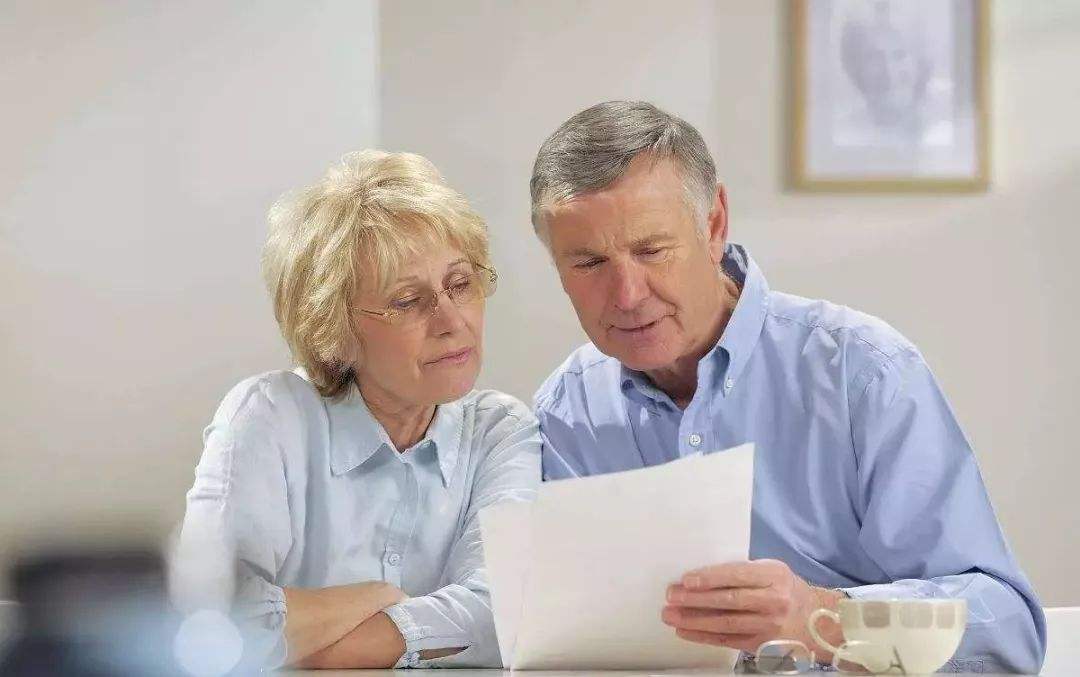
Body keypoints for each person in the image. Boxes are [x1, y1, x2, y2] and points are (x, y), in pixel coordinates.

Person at [529, 101, 1045, 674]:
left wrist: (823, 617)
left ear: (714, 225)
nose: (625, 294)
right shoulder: (564, 412)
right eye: (588, 262)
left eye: (651, 250)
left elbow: (1009, 630)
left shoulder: (864, 373)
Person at [176, 150, 540, 669]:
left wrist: (314, 649)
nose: (451, 320)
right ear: (335, 331)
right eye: (407, 300)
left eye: (460, 284)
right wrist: (375, 596)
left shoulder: (502, 431)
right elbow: (203, 616)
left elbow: (506, 610)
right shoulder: (268, 417)